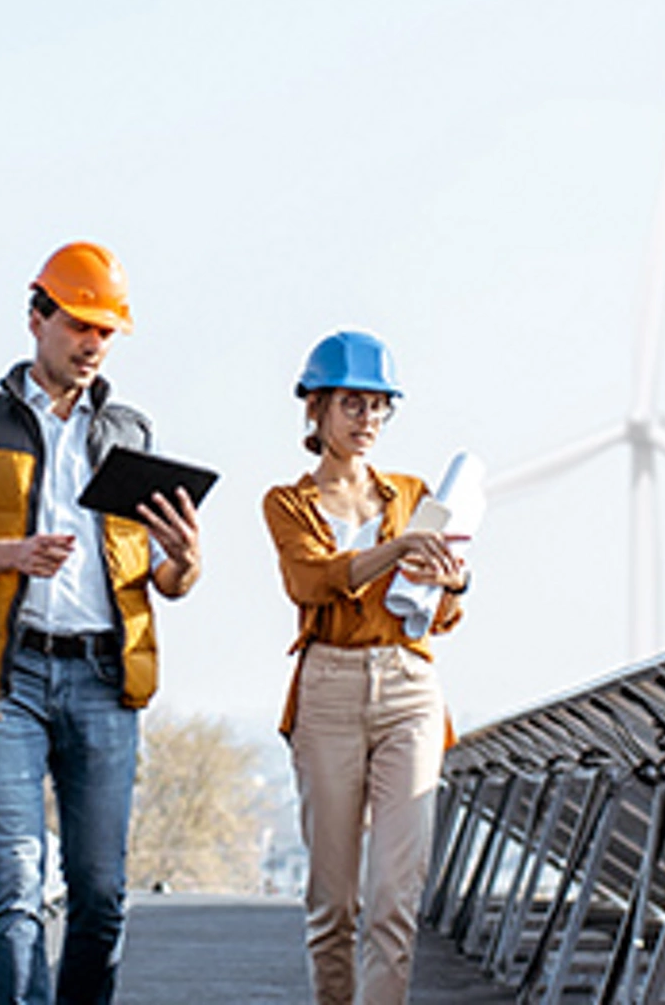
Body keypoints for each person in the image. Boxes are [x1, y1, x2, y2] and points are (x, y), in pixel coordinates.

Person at [0, 240, 203, 1005]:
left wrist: (187, 560)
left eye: (106, 332)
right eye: (80, 326)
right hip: (5, 679)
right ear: (36, 318)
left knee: (101, 894)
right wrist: (14, 553)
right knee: (15, 884)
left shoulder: (132, 432)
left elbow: (163, 582)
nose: (93, 344)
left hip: (105, 677)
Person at [261, 329, 468, 1005]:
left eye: (380, 406)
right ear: (315, 409)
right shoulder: (287, 503)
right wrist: (398, 549)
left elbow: (436, 616)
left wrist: (452, 583)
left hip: (409, 688)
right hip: (328, 690)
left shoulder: (414, 494)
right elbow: (313, 583)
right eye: (353, 404)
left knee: (394, 900)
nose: (368, 420)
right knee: (333, 904)